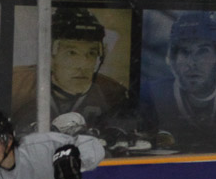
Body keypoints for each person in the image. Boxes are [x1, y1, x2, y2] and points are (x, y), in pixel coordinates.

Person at [10, 7, 131, 135]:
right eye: (71, 53)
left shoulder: (113, 93)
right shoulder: (16, 86)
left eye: (91, 53)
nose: (83, 65)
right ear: (49, 56)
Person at [141, 11, 216, 154]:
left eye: (203, 52)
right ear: (172, 59)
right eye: (184, 52)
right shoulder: (150, 94)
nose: (192, 63)